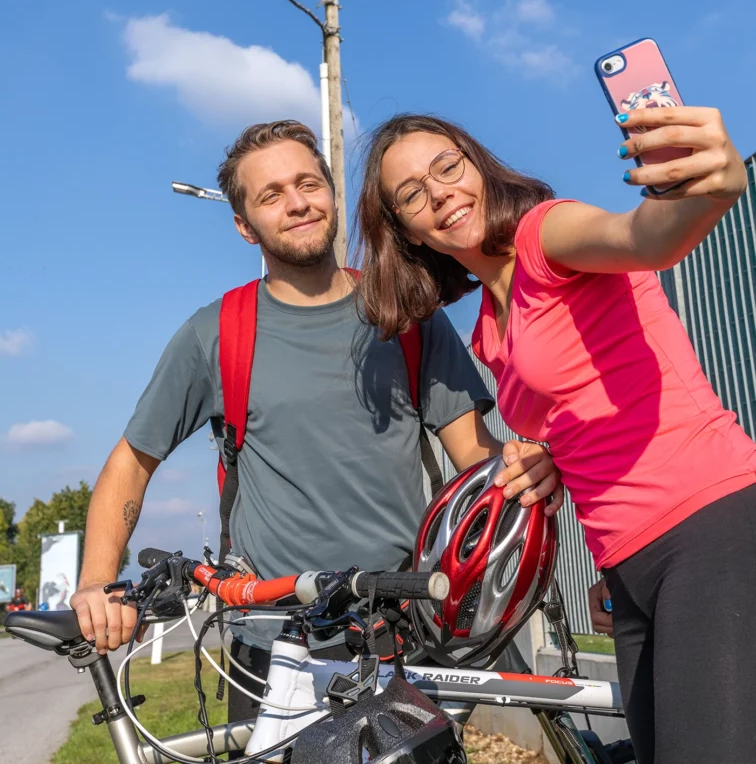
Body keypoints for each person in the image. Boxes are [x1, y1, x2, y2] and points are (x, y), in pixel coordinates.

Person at [71, 119, 562, 734]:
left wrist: (526, 475)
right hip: (271, 642)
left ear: (331, 193)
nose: (298, 203)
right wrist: (97, 583)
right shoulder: (215, 333)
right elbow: (130, 462)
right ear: (244, 225)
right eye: (271, 195)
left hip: (400, 631)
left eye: (308, 184)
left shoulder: (404, 314)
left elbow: (476, 459)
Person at [355, 108, 756, 764]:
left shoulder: (546, 233)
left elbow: (643, 237)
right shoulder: (487, 330)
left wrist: (710, 188)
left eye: (448, 167)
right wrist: (549, 461)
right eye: (412, 194)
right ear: (404, 230)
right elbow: (582, 419)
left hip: (706, 525)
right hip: (627, 566)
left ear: (478, 165)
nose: (441, 194)